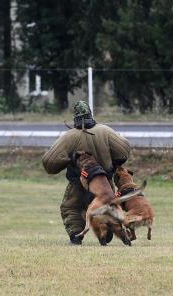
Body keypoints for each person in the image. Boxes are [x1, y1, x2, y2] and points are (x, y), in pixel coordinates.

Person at [42, 101, 131, 245]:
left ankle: (76, 236)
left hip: (78, 182)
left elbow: (49, 162)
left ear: (75, 117)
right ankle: (107, 230)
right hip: (104, 182)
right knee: (108, 207)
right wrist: (112, 165)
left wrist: (69, 160)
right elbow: (123, 151)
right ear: (90, 114)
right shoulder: (105, 131)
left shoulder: (69, 136)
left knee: (71, 207)